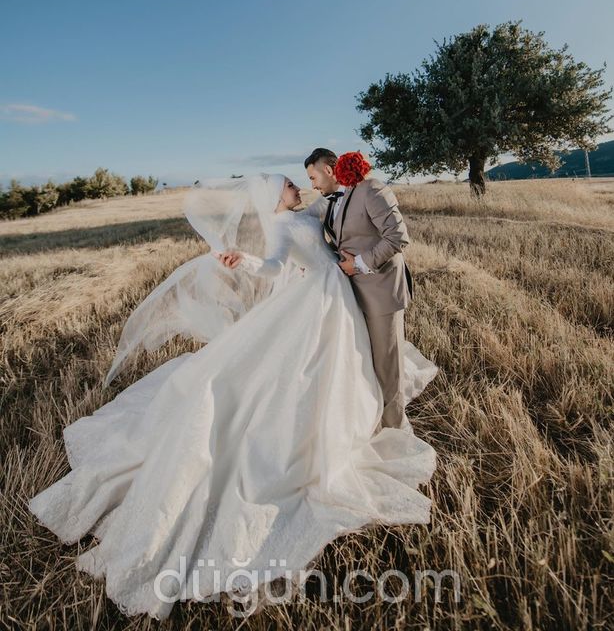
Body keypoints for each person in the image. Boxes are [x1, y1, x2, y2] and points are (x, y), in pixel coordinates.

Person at [27, 171, 438, 620]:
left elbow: (336, 204)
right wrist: (245, 260)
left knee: (339, 362)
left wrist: (350, 185)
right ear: (273, 194)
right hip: (316, 298)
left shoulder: (309, 211)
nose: (297, 187)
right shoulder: (281, 226)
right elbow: (275, 265)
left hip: (332, 293)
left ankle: (361, 410)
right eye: (289, 184)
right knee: (301, 371)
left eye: (298, 182)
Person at [304, 148, 414, 429]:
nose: (312, 185)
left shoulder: (371, 189)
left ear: (328, 170)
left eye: (313, 177)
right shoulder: (330, 203)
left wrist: (361, 264)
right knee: (364, 364)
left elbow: (397, 237)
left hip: (380, 291)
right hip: (352, 295)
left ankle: (394, 431)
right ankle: (372, 425)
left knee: (387, 368)